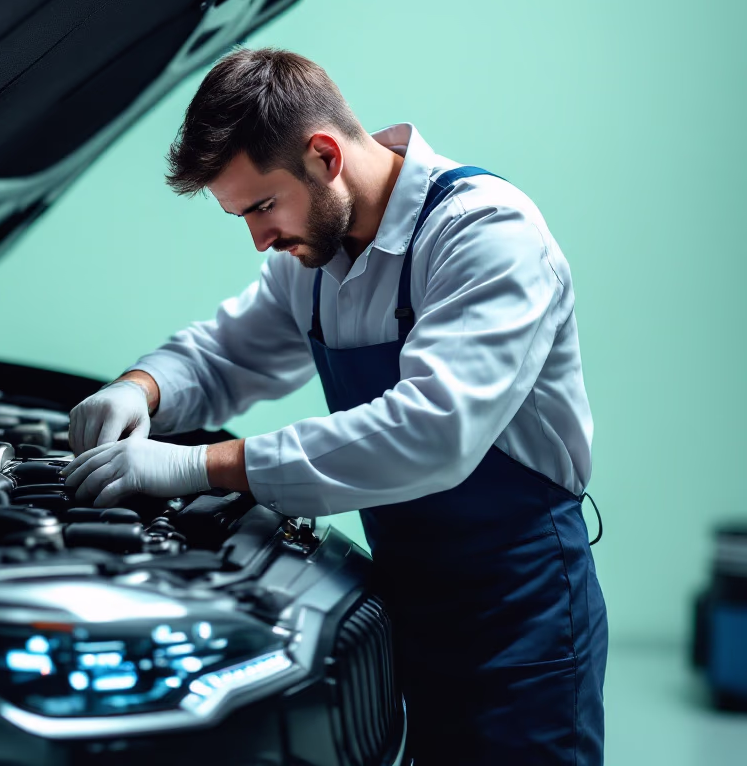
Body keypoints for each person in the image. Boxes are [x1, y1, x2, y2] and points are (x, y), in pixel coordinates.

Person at [60, 48, 608, 764]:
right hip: (406, 604)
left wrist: (201, 465)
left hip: (520, 616)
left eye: (262, 206)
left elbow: (431, 434)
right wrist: (140, 389)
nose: (260, 238)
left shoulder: (486, 236)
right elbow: (224, 354)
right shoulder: (314, 259)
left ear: (324, 156)